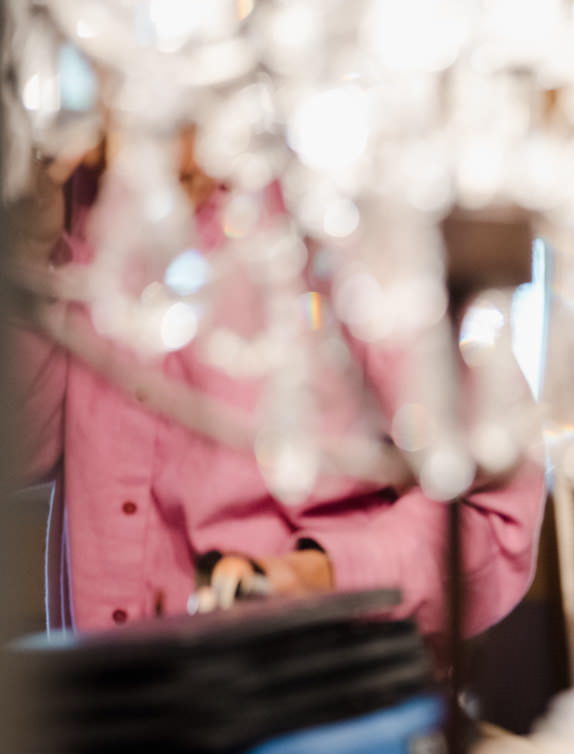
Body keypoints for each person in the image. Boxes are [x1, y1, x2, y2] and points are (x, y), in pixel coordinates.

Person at [7, 136, 546, 643]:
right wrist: (28, 242)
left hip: (318, 708)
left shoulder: (339, 213)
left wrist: (320, 575)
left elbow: (496, 509)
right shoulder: (72, 213)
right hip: (113, 716)